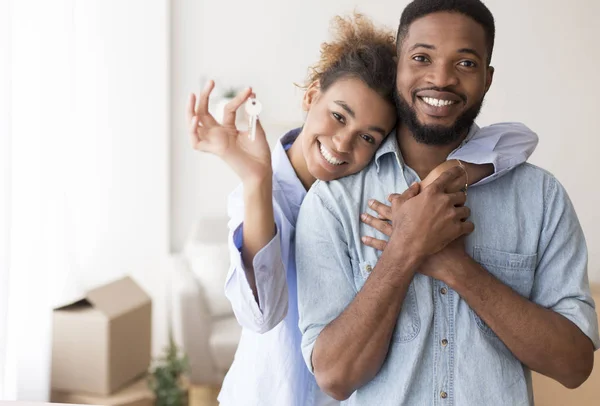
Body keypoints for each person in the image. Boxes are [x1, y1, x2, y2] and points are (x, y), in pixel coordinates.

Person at [187, 14, 538, 406]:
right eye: (338, 116)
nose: (341, 144)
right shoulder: (261, 193)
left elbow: (518, 139)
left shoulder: (366, 192)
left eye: (367, 137)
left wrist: (447, 173)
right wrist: (255, 182)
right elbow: (261, 316)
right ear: (310, 96)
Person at [295, 2, 600, 405]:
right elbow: (334, 377)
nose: (441, 78)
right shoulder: (334, 201)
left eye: (466, 63)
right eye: (422, 57)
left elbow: (574, 366)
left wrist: (454, 266)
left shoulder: (540, 197)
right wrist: (405, 248)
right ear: (398, 66)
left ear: (487, 79)